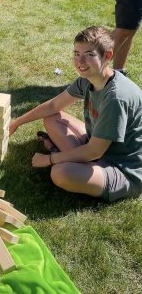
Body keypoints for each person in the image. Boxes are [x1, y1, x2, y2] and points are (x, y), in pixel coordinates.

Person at [9, 26, 142, 202]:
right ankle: (76, 160)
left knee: (60, 173)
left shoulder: (116, 98)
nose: (80, 61)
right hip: (96, 146)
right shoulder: (87, 80)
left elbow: (94, 151)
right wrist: (17, 122)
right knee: (52, 118)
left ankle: (71, 161)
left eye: (89, 54)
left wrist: (50, 159)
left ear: (108, 56)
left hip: (122, 169)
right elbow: (54, 105)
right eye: (76, 53)